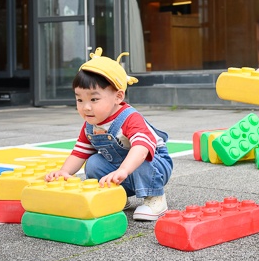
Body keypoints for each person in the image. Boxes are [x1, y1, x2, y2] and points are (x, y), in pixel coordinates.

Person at [46, 48, 172, 221]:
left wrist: (124, 170)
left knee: (141, 157)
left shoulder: (130, 118)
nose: (86, 107)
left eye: (94, 99)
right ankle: (116, 195)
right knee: (93, 162)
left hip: (154, 165)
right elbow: (79, 152)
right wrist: (64, 172)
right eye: (79, 99)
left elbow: (142, 149)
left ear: (118, 97)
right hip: (121, 170)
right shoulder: (90, 125)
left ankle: (155, 198)